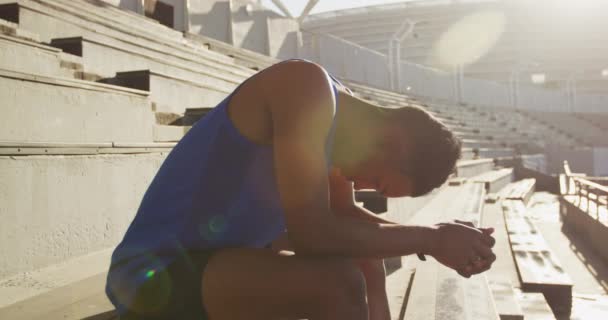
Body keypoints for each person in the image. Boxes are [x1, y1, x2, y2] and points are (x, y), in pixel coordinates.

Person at [106, 59, 496, 320]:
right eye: (377, 181)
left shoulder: (338, 129)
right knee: (338, 282)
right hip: (153, 276)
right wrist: (430, 240)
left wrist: (441, 236)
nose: (362, 186)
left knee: (366, 262)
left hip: (221, 267)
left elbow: (346, 221)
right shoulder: (304, 88)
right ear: (393, 142)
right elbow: (313, 236)